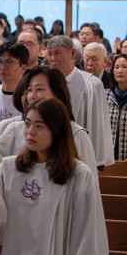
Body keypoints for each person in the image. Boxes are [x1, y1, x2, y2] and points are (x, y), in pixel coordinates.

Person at [0, 97, 109, 255]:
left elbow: (88, 235)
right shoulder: (8, 169)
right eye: (27, 124)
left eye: (39, 126)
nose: (30, 132)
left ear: (57, 131)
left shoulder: (79, 175)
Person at [0, 66, 98, 176]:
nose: (32, 96)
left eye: (39, 89)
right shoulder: (16, 130)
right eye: (30, 90)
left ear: (58, 94)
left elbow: (86, 187)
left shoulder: (76, 134)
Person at [47, 35, 114, 167]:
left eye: (57, 53)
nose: (53, 59)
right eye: (49, 54)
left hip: (80, 158)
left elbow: (98, 126)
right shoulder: (43, 82)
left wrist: (97, 161)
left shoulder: (91, 84)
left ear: (72, 53)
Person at [106, 54, 127, 161]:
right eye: (117, 67)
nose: (120, 70)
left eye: (124, 67)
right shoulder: (104, 96)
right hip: (107, 160)